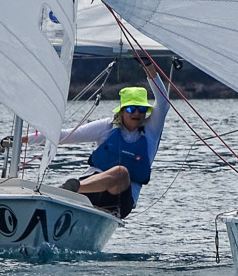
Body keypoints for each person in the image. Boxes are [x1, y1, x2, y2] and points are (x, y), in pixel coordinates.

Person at [28, 67, 169, 219]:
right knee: (114, 172)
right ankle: (67, 192)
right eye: (131, 109)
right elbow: (65, 135)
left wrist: (148, 67)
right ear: (122, 111)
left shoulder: (151, 131)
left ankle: (70, 190)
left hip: (120, 201)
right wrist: (22, 139)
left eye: (141, 109)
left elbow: (163, 101)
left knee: (121, 173)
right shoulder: (107, 126)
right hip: (90, 191)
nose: (137, 113)